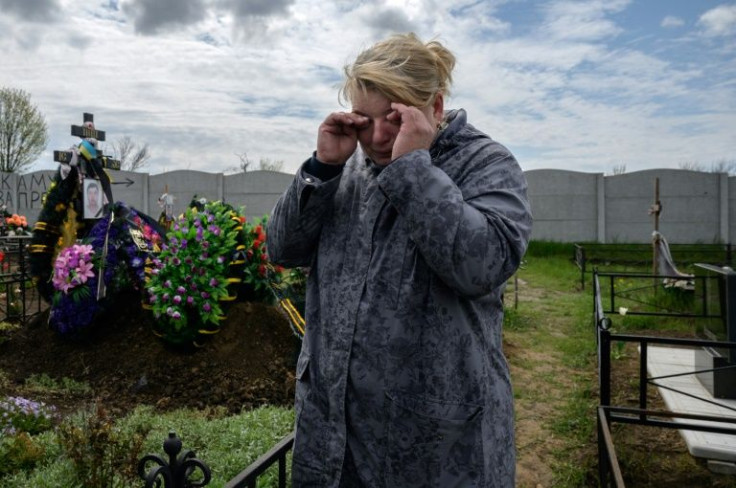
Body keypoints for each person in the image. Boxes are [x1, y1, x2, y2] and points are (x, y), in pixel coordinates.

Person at [267, 32, 532, 487]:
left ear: (434, 106)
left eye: (394, 118)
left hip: (435, 448)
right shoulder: (346, 166)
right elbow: (283, 249)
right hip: (334, 440)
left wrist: (412, 170)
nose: (378, 136)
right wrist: (322, 169)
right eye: (364, 120)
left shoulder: (485, 163)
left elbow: (483, 266)